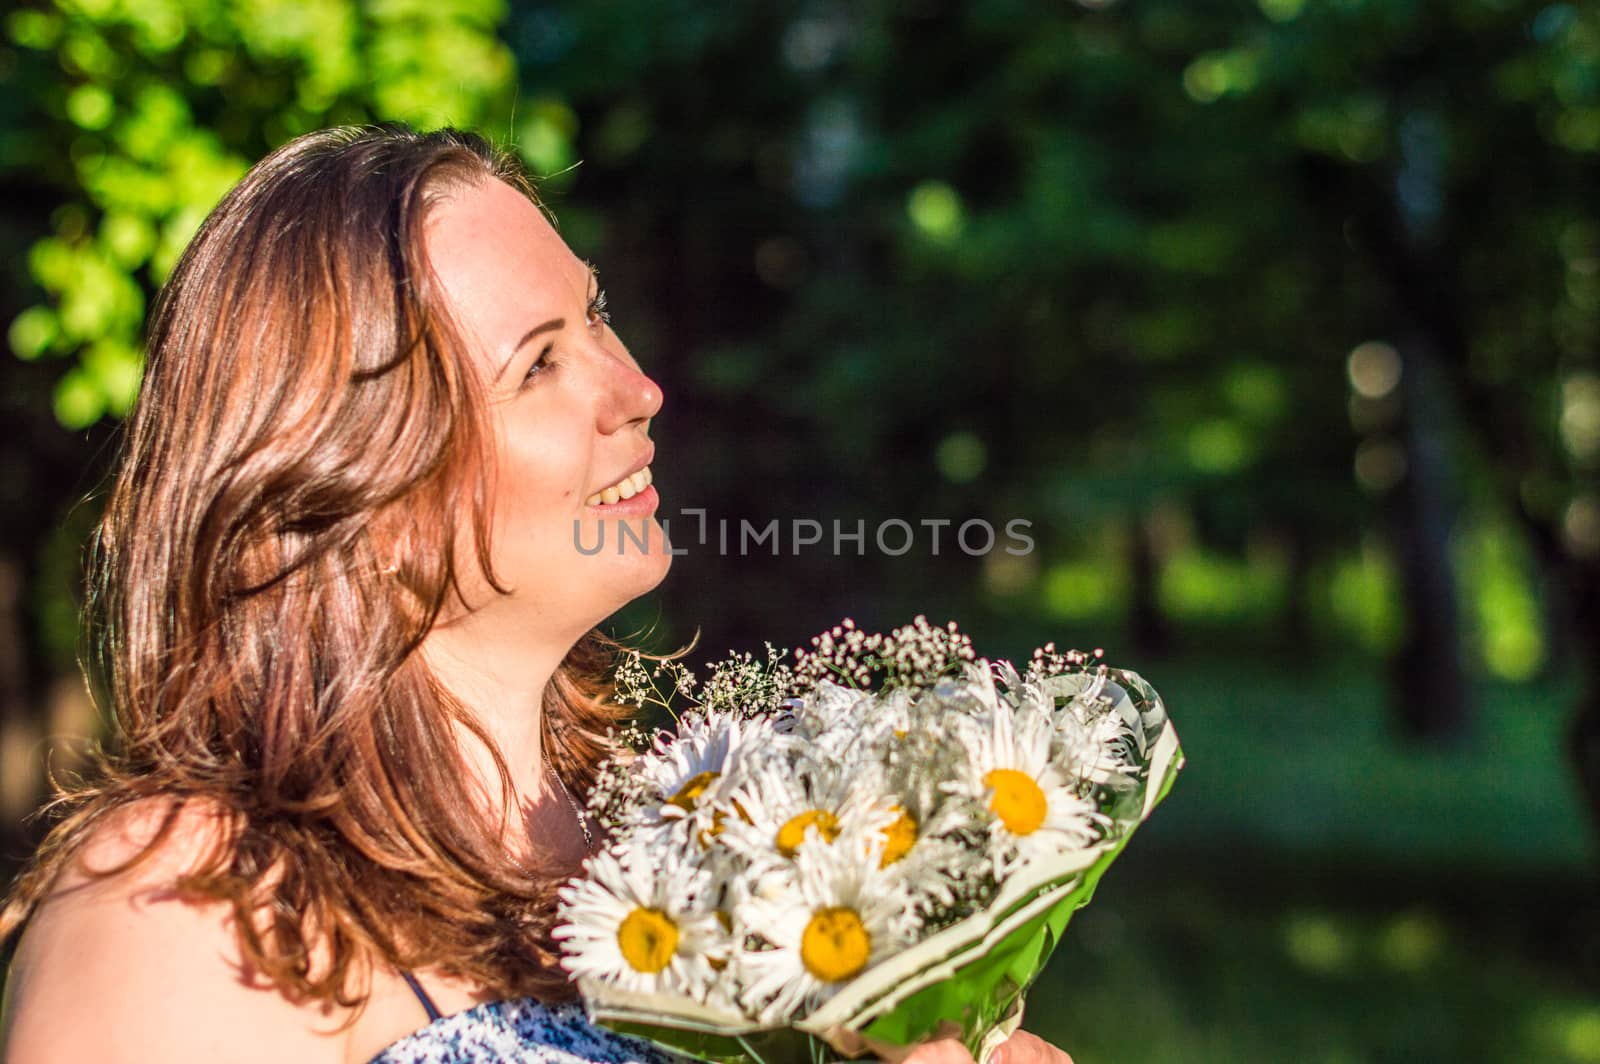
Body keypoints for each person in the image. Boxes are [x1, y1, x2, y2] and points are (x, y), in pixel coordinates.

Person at [0, 125, 1073, 1064]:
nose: (637, 387)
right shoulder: (193, 902)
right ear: (352, 488)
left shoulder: (693, 856)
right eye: (539, 364)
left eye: (597, 316)